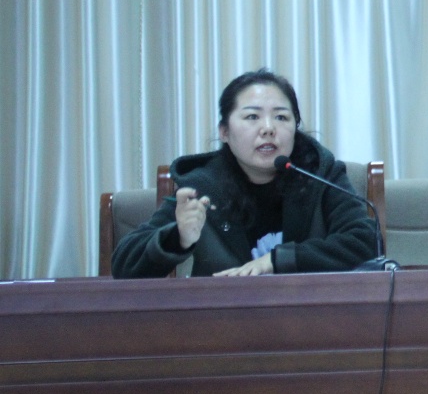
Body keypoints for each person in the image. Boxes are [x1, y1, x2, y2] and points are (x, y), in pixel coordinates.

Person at [112, 69, 379, 277]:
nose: (268, 128)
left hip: (309, 318)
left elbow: (366, 241)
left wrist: (277, 260)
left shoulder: (318, 173)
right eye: (252, 117)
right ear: (224, 132)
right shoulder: (202, 187)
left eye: (281, 117)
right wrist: (177, 237)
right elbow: (124, 265)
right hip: (223, 322)